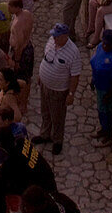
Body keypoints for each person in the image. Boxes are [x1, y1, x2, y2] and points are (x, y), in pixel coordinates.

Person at [34, 23, 81, 154]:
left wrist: (71, 94)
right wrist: (40, 76)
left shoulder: (73, 52)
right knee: (45, 111)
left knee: (58, 117)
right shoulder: (51, 41)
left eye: (57, 36)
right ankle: (45, 134)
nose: (54, 39)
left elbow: (75, 75)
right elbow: (45, 58)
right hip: (45, 85)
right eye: (53, 36)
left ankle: (57, 140)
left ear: (65, 36)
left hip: (59, 90)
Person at [90, 29, 112, 143]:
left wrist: (110, 94)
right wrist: (93, 80)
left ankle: (109, 136)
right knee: (101, 110)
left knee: (107, 113)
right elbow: (96, 64)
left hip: (107, 89)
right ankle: (103, 129)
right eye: (103, 42)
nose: (104, 45)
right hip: (99, 86)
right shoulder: (99, 48)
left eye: (107, 44)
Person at [8, 0, 35, 112]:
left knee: (21, 78)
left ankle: (22, 104)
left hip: (22, 52)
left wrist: (17, 60)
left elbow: (19, 43)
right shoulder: (27, 14)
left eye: (10, 8)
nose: (9, 10)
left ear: (16, 7)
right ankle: (25, 101)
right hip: (29, 47)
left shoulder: (17, 23)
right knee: (28, 77)